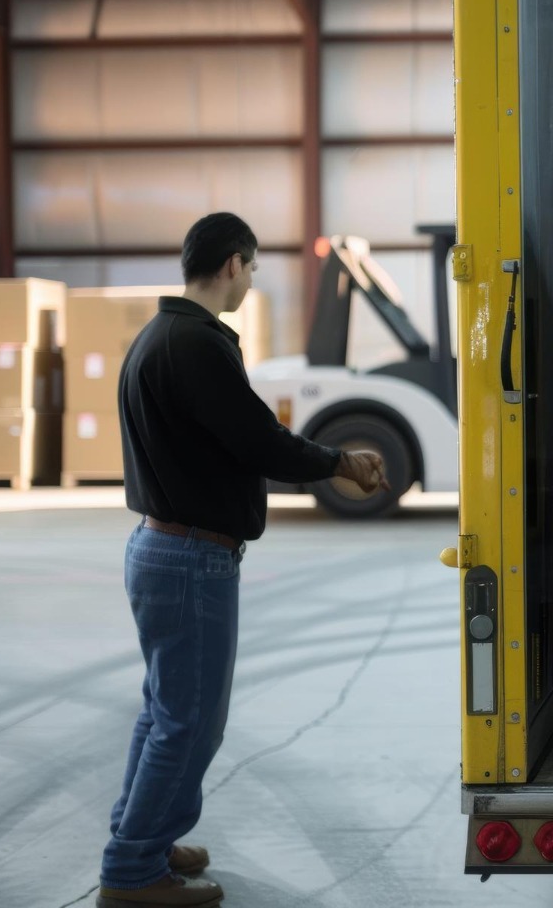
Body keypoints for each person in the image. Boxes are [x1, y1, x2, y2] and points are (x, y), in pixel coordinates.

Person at [96, 212, 387, 908]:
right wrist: (339, 461)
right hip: (190, 556)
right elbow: (259, 439)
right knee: (190, 722)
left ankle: (144, 837)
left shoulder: (157, 336)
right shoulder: (197, 344)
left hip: (161, 547)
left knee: (164, 713)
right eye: (252, 268)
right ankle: (133, 870)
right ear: (232, 263)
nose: (251, 281)